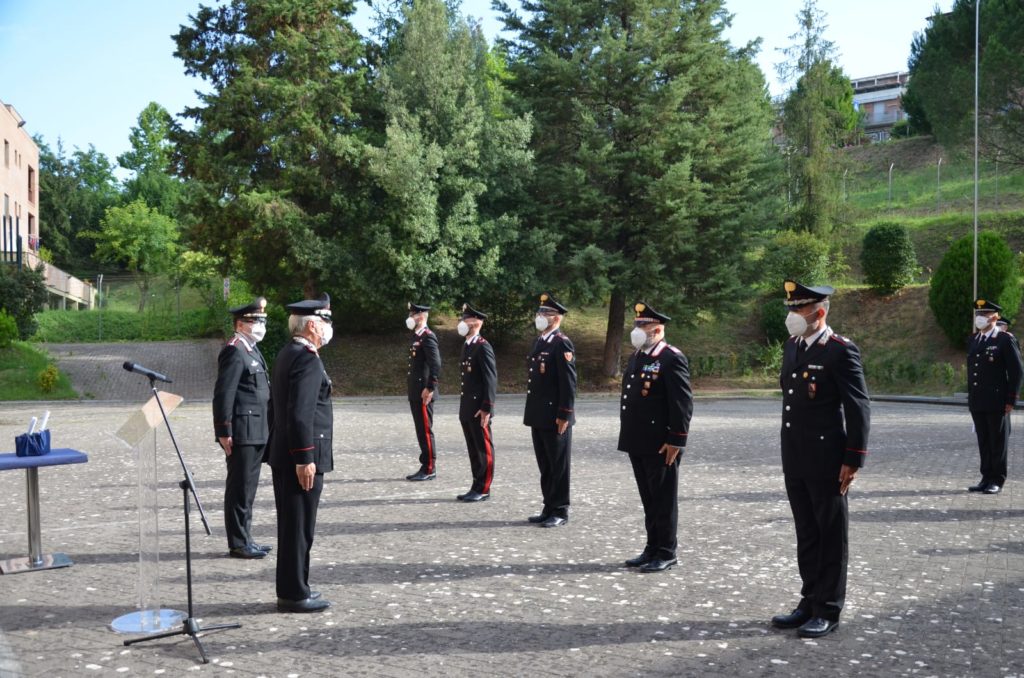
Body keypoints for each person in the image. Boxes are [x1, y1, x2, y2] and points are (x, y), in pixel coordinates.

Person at [771, 280, 870, 639]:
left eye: (799, 310)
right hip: (795, 455)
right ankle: (809, 599)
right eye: (791, 309)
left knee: (830, 534)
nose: (792, 316)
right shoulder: (792, 346)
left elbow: (858, 406)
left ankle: (828, 608)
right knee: (807, 532)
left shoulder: (840, 350)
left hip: (828, 458)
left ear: (820, 312)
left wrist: (853, 458)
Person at [267, 293, 334, 613]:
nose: (327, 328)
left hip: (285, 453)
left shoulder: (288, 353)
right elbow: (300, 413)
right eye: (324, 322)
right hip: (300, 458)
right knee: (298, 527)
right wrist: (304, 458)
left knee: (293, 526)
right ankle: (294, 593)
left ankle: (295, 586)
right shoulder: (306, 358)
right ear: (310, 326)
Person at [618, 302, 692, 573]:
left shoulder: (671, 358)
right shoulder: (638, 355)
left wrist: (677, 439)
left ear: (657, 329)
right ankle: (652, 546)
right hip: (638, 439)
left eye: (643, 326)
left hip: (662, 443)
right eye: (636, 325)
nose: (637, 330)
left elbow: (682, 403)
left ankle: (666, 550)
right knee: (648, 498)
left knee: (663, 498)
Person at [212, 297, 273, 559]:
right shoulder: (234, 350)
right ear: (240, 324)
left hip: (257, 429)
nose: (260, 325)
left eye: (261, 320)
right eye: (255, 321)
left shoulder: (251, 348)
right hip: (242, 430)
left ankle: (246, 537)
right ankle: (238, 542)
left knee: (249, 488)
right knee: (239, 488)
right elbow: (223, 393)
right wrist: (224, 431)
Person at [523, 293, 577, 527]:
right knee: (545, 464)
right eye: (539, 312)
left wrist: (564, 413)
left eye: (545, 313)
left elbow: (568, 382)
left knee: (558, 464)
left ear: (556, 318)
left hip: (555, 416)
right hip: (538, 414)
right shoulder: (541, 341)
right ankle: (548, 506)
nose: (540, 316)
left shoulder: (561, 343)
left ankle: (560, 510)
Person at [967, 298, 1023, 495]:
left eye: (985, 314)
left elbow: (1016, 371)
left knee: (997, 442)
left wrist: (1011, 400)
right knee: (984, 441)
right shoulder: (974, 339)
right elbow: (972, 371)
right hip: (978, 401)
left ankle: (997, 479)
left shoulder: (1005, 339)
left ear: (996, 316)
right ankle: (986, 477)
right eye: (978, 314)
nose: (981, 318)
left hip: (997, 400)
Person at [456, 303, 497, 502]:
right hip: (467, 406)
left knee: (483, 448)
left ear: (477, 322)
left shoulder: (483, 346)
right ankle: (476, 484)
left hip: (479, 408)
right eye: (462, 318)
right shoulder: (467, 345)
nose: (462, 322)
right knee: (473, 449)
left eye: (466, 319)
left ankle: (484, 488)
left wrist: (487, 407)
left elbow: (490, 379)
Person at [405, 302, 442, 481]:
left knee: (426, 430)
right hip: (415, 391)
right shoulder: (416, 336)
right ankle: (425, 463)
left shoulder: (428, 336)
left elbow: (435, 364)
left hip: (424, 392)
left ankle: (429, 468)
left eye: (413, 315)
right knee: (420, 429)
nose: (410, 318)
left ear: (421, 317)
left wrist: (430, 387)